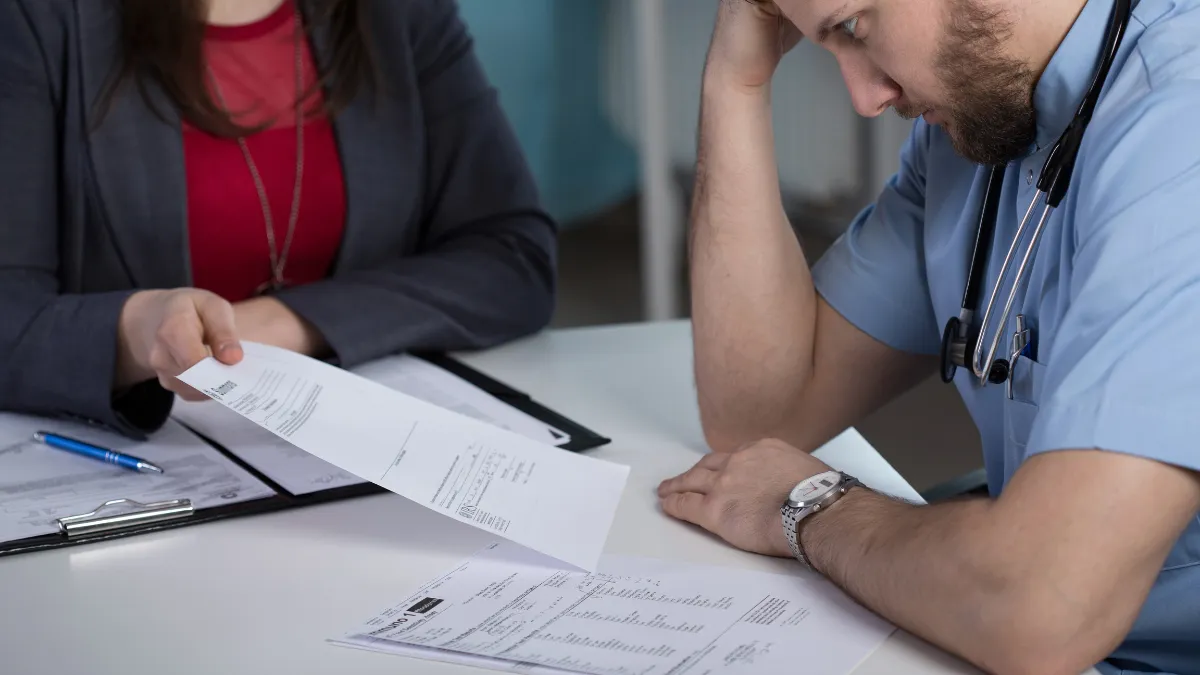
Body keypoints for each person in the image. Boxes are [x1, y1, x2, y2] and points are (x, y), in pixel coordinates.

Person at [658, 0, 1200, 674]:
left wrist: (810, 506)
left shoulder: (1182, 125)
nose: (864, 98)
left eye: (855, 27)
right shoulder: (986, 122)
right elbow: (759, 414)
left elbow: (1039, 605)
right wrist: (735, 84)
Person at [0, 0, 557, 438]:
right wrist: (136, 331)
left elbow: (513, 257)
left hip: (358, 456)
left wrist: (276, 324)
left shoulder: (399, 12)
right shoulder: (36, 18)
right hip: (148, 468)